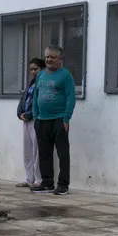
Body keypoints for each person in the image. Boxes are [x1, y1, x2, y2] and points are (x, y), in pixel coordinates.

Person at [31, 45, 76, 195]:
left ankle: (63, 185)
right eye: (47, 57)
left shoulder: (66, 76)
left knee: (62, 153)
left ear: (60, 59)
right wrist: (36, 116)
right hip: (41, 120)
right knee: (44, 153)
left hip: (59, 120)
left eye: (53, 57)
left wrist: (66, 118)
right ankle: (47, 183)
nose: (49, 59)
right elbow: (36, 96)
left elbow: (71, 98)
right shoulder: (40, 75)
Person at [17, 58, 44, 189]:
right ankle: (29, 178)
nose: (33, 72)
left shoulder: (43, 83)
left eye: (36, 69)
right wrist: (19, 113)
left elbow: (40, 103)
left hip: (35, 119)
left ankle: (38, 179)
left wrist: (29, 114)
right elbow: (24, 99)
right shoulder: (31, 83)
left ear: (42, 69)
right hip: (25, 120)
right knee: (27, 150)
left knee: (36, 150)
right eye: (31, 69)